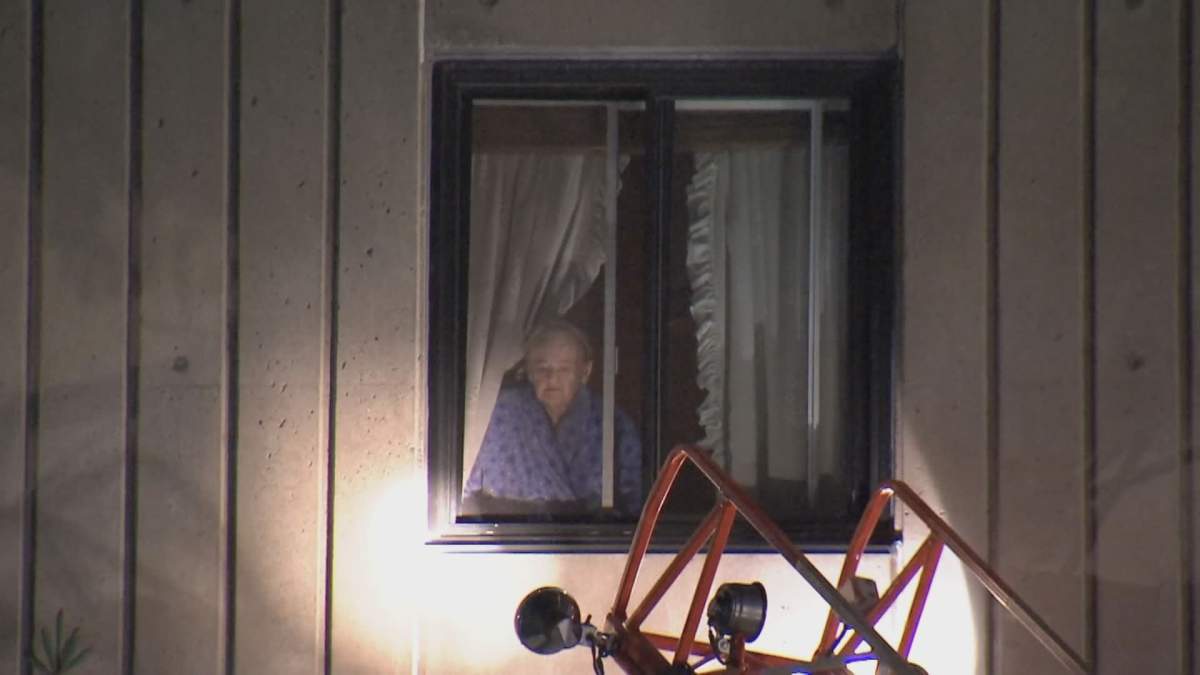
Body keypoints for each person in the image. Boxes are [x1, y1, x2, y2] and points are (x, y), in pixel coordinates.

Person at [462, 319, 642, 516]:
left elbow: (632, 506)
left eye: (564, 369)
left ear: (585, 371)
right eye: (542, 369)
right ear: (529, 371)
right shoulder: (500, 414)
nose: (552, 378)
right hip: (512, 534)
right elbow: (463, 489)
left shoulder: (614, 426)